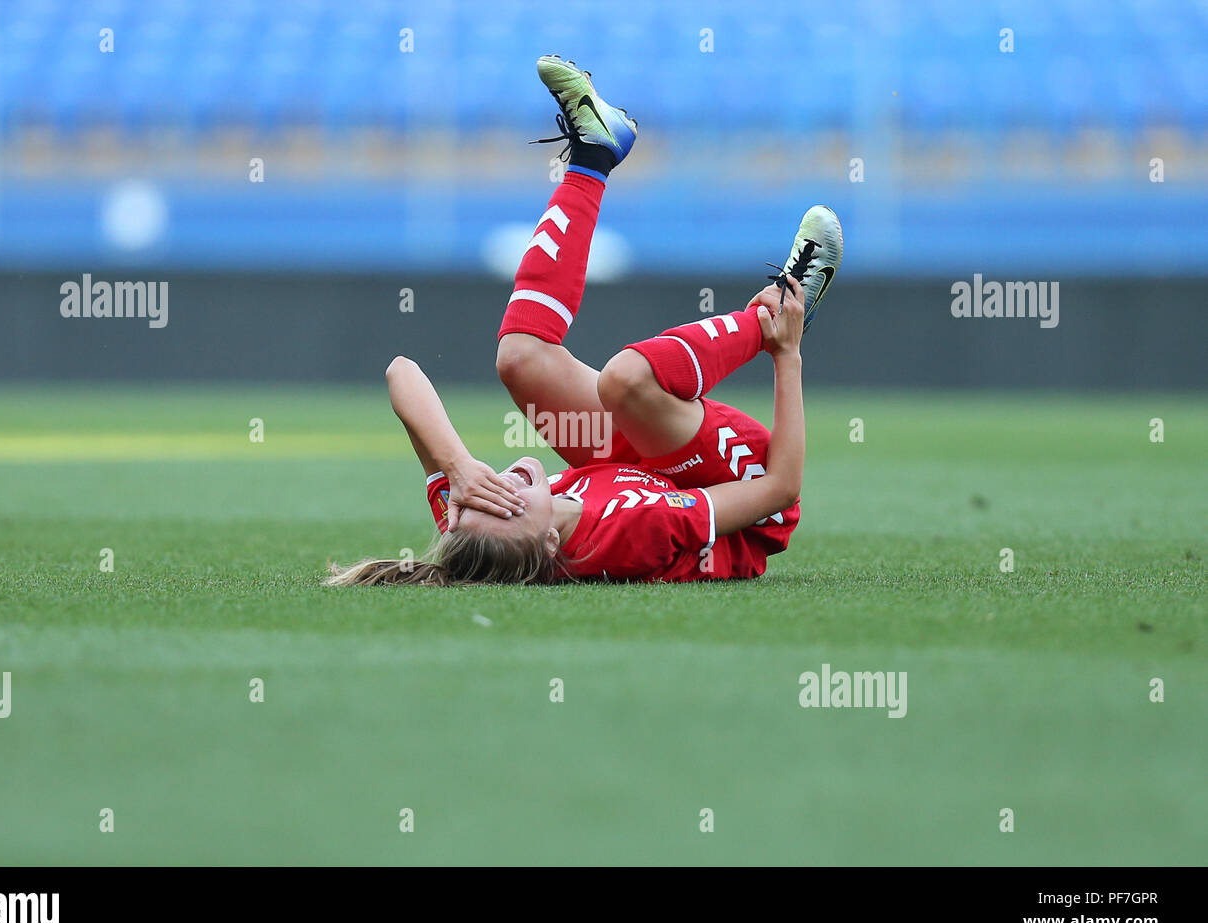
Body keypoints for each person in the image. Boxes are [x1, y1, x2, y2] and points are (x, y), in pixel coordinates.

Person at [327, 55, 842, 586]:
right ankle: (778, 315)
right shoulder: (630, 532)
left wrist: (457, 469)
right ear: (552, 543)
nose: (505, 484)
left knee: (520, 358)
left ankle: (594, 153)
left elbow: (400, 372)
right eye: (510, 502)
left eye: (486, 494)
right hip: (741, 490)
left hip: (633, 469)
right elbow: (781, 489)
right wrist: (788, 357)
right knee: (627, 380)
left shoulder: (482, 534)